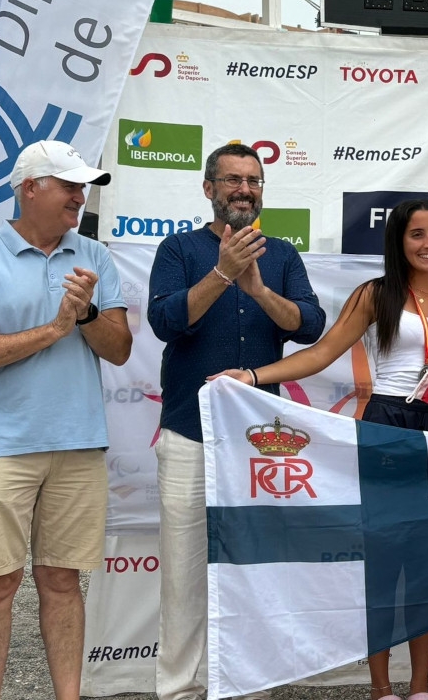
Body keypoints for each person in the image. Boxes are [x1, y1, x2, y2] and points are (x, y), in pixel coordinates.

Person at [212, 199, 428, 700]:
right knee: (386, 561)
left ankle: (422, 686)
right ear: (399, 242)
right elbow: (323, 352)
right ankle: (382, 686)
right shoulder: (375, 295)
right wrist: (255, 376)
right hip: (386, 427)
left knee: (426, 562)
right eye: (417, 235)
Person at [0, 140, 132, 700]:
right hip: (2, 446)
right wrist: (55, 329)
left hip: (78, 444)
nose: (81, 197)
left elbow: (120, 349)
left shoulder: (94, 256)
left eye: (83, 187)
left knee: (61, 581)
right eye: (70, 186)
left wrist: (88, 315)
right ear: (31, 188)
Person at [147, 142, 326, 700]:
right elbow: (166, 321)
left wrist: (258, 289)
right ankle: (178, 690)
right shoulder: (178, 248)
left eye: (253, 180)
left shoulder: (282, 256)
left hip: (262, 446)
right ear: (209, 189)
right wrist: (223, 274)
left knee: (250, 572)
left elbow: (311, 326)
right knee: (183, 576)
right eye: (232, 180)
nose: (244, 190)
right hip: (189, 435)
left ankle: (246, 686)